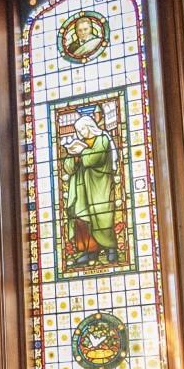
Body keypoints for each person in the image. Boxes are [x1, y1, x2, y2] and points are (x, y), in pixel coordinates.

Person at [60, 112, 122, 270]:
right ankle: (89, 250)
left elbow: (95, 158)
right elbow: (68, 166)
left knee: (102, 215)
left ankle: (111, 248)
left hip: (98, 185)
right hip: (80, 188)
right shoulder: (79, 143)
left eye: (83, 130)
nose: (81, 133)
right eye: (79, 131)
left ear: (90, 127)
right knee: (82, 218)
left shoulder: (102, 139)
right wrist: (73, 156)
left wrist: (81, 153)